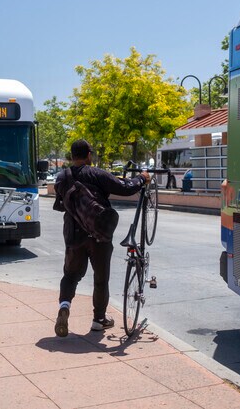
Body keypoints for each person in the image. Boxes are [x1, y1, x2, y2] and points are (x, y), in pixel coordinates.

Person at [53, 139, 150, 337]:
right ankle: (99, 320)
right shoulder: (96, 173)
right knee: (100, 279)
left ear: (71, 156)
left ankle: (64, 307)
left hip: (73, 234)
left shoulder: (62, 177)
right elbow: (125, 187)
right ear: (89, 154)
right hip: (99, 234)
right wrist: (142, 178)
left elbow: (61, 204)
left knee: (71, 275)